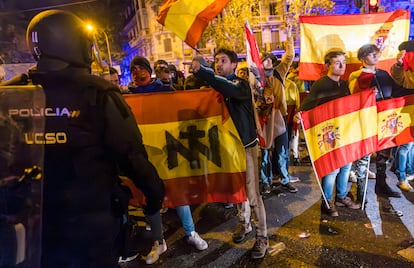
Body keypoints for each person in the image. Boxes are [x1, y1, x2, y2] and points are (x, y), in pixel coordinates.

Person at [25, 10, 166, 267]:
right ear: (73, 44)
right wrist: (154, 193)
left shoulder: (14, 96)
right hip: (91, 224)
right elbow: (131, 154)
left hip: (33, 228)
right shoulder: (98, 94)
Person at [191, 48, 268, 259]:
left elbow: (228, 88)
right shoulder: (214, 89)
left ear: (234, 65)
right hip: (228, 149)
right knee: (237, 191)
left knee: (252, 195)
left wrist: (204, 72)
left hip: (246, 147)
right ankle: (245, 224)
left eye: (223, 61)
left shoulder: (240, 86)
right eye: (216, 61)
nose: (219, 64)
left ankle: (262, 237)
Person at [128, 55, 208, 257]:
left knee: (179, 194)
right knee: (149, 198)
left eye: (140, 68)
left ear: (149, 70)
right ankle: (158, 241)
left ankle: (190, 233)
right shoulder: (127, 97)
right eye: (133, 70)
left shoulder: (166, 91)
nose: (137, 73)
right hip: (144, 157)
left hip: (168, 152)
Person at [300, 48, 361, 216]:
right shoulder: (321, 84)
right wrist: (299, 118)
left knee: (346, 165)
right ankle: (327, 202)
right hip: (329, 134)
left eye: (343, 62)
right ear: (328, 65)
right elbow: (307, 106)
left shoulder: (344, 84)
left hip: (345, 131)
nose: (342, 65)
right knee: (332, 168)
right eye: (337, 62)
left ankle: (341, 197)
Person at [348, 44, 410, 201]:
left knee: (383, 155)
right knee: (364, 157)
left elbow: (397, 90)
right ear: (363, 58)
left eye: (376, 53)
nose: (375, 55)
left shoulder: (383, 73)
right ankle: (360, 193)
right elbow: (354, 95)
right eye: (371, 53)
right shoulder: (356, 75)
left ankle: (381, 185)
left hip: (385, 121)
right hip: (366, 122)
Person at [260, 23, 299, 194]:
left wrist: (289, 36)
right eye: (264, 59)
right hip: (263, 118)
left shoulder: (279, 72)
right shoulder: (256, 77)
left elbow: (289, 56)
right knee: (265, 153)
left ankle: (284, 179)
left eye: (269, 59)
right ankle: (265, 181)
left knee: (282, 151)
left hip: (280, 117)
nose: (267, 61)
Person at [389, 40, 414, 192]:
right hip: (404, 111)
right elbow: (397, 75)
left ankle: (408, 170)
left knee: (411, 145)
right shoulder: (402, 70)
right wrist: (399, 63)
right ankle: (401, 176)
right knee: (405, 145)